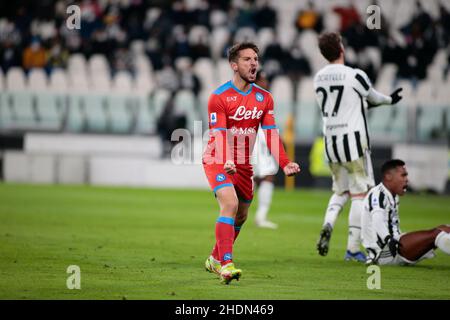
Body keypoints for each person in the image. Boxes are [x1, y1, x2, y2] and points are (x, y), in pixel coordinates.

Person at [202, 42, 300, 284]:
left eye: (255, 58)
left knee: (242, 215)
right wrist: (225, 158)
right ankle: (226, 264)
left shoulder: (264, 98)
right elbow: (219, 133)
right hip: (218, 158)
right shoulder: (219, 97)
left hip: (244, 164)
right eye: (247, 59)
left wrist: (285, 162)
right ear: (234, 65)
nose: (254, 63)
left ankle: (214, 258)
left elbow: (271, 133)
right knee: (230, 204)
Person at [313, 32, 403, 261]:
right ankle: (352, 249)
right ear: (341, 49)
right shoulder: (355, 75)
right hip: (353, 142)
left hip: (330, 141)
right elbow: (372, 97)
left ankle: (328, 223)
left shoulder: (318, 78)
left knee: (340, 190)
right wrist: (390, 100)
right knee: (359, 193)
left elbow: (342, 105)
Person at [362, 159, 450, 265]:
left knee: (445, 228)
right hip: (385, 252)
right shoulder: (378, 194)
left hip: (395, 245)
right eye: (403, 175)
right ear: (389, 176)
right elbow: (377, 220)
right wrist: (389, 240)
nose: (406, 180)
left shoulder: (392, 195)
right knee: (437, 234)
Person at [252, 71, 279, 229]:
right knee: (259, 176)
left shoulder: (265, 97)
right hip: (253, 137)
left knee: (264, 176)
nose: (266, 83)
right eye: (263, 80)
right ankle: (256, 216)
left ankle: (260, 215)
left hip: (260, 136)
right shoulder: (254, 96)